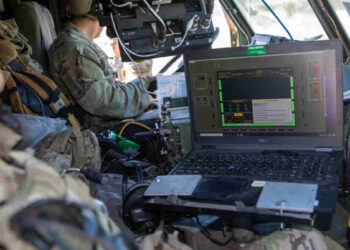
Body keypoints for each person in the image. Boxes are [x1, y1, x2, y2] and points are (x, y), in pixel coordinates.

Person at [48, 0, 153, 132]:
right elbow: (102, 101)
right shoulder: (76, 48)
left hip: (109, 123)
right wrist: (143, 98)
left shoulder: (79, 43)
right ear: (97, 9)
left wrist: (146, 85)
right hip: (101, 131)